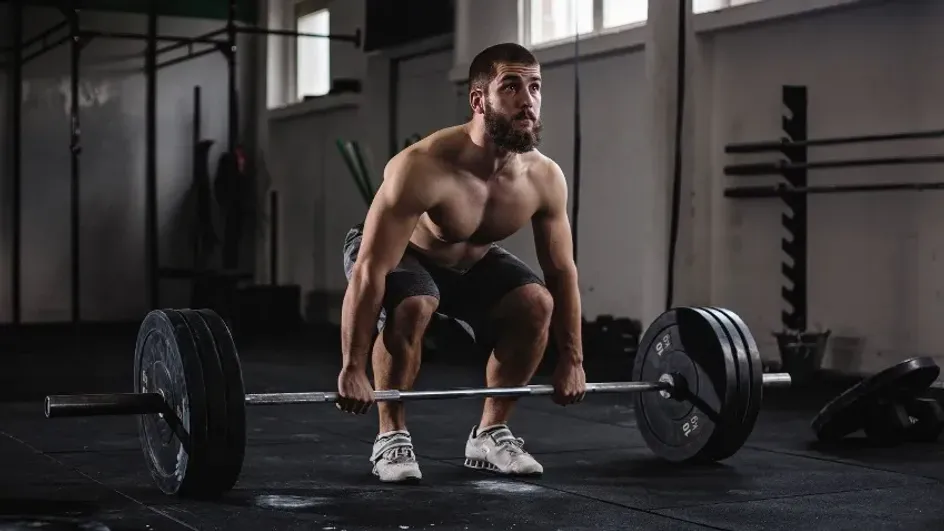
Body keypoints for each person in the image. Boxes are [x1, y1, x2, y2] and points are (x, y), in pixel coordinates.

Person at [337, 42, 587, 483]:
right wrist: (352, 366)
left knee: (536, 303)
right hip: (401, 254)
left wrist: (574, 359)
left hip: (471, 262)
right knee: (414, 303)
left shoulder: (544, 177)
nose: (527, 100)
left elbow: (561, 272)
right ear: (479, 100)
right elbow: (372, 270)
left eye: (535, 87)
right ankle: (390, 436)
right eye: (511, 87)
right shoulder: (422, 166)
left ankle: (490, 433)